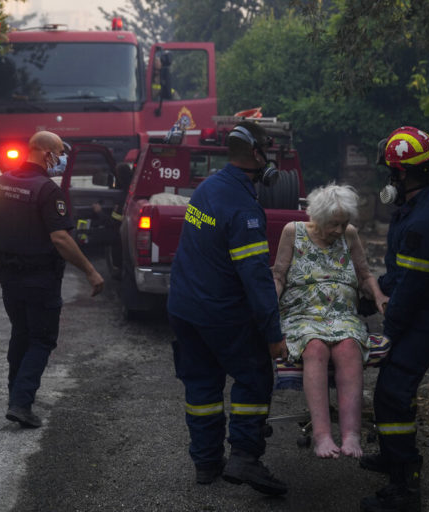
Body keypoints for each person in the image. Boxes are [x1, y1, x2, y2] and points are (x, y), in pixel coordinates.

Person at [0, 130, 105, 429]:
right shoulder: (47, 191)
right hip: (41, 279)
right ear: (46, 154)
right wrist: (90, 270)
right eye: (59, 153)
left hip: (9, 279)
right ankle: (21, 403)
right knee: (42, 339)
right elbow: (60, 238)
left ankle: (15, 398)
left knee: (21, 333)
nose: (62, 159)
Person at [166, 121, 289, 495]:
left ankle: (206, 464)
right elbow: (255, 278)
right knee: (254, 377)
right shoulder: (244, 209)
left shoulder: (207, 188)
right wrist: (273, 335)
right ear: (257, 154)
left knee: (202, 384)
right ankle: (245, 458)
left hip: (184, 308)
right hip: (221, 313)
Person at [359, 126, 429, 512]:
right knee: (391, 388)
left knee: (392, 392)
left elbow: (410, 292)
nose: (389, 178)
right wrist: (367, 296)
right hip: (423, 311)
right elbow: (399, 275)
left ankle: (405, 486)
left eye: (391, 171)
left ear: (401, 174)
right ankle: (392, 457)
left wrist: (387, 333)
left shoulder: (423, 222)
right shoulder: (415, 210)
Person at [271, 183, 387, 460]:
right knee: (315, 347)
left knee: (349, 348)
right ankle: (322, 436)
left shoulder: (349, 234)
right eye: (334, 224)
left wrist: (379, 296)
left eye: (344, 223)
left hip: (342, 314)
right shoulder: (293, 232)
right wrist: (267, 312)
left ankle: (351, 435)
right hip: (302, 314)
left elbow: (364, 275)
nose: (339, 230)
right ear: (318, 218)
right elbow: (278, 275)